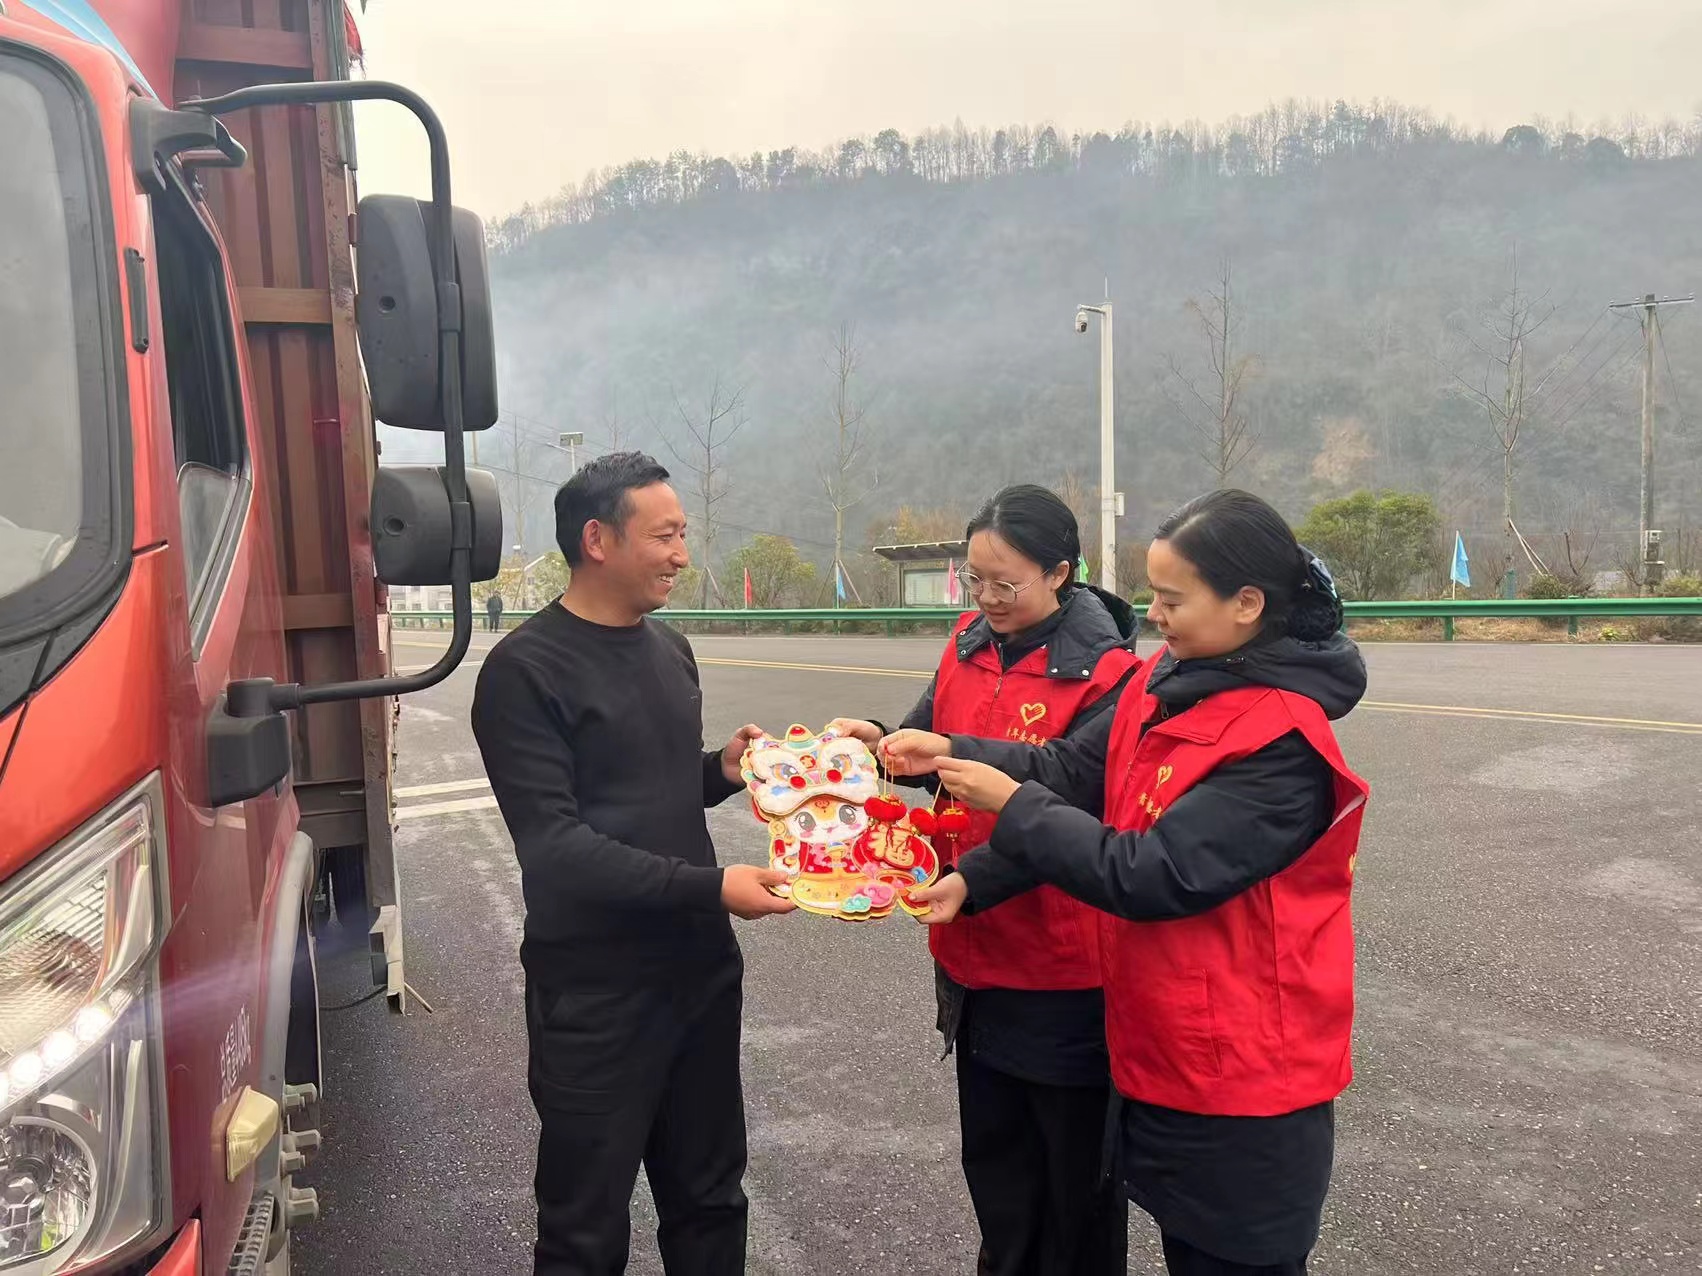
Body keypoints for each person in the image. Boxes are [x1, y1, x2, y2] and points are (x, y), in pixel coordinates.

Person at [887, 489, 1369, 1276]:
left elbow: (1152, 872)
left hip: (1247, 1074)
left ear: (1247, 604)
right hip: (1159, 1044)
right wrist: (971, 854)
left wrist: (1011, 805)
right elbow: (1076, 774)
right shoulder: (1165, 683)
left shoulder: (1280, 742)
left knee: (1226, 1257)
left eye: (1173, 599)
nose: (1153, 615)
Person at [470, 451, 795, 1276]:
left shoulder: (671, 649)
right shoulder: (524, 671)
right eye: (665, 535)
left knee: (711, 1200)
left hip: (699, 977)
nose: (682, 554)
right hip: (597, 994)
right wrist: (714, 887)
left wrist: (719, 770)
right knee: (584, 1228)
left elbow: (647, 790)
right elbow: (556, 847)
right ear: (598, 540)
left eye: (682, 534)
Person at [830, 484, 1139, 1276]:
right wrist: (876, 743)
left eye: (1008, 583)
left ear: (1060, 573)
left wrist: (951, 753)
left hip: (1062, 969)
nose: (989, 598)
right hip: (972, 951)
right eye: (976, 579)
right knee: (1000, 1177)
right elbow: (921, 745)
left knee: (1075, 1194)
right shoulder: (967, 643)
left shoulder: (1111, 675)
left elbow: (1074, 781)